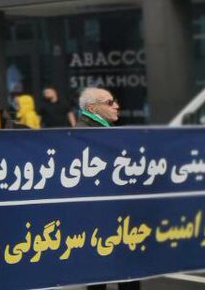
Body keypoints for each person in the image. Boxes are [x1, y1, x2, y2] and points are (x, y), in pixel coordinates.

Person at [74, 87, 141, 290]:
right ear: (93, 108)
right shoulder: (84, 134)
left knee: (121, 269)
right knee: (101, 273)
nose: (117, 106)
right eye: (110, 102)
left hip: (115, 212)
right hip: (100, 215)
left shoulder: (102, 130)